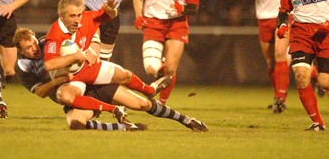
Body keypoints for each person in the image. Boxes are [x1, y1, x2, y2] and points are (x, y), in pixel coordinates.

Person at [13, 27, 208, 132]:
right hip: (76, 95)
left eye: (33, 43)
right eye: (28, 48)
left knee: (142, 104)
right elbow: (39, 92)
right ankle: (122, 126)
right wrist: (57, 81)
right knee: (75, 124)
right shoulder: (22, 67)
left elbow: (79, 38)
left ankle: (187, 120)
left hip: (91, 82)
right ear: (20, 51)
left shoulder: (49, 43)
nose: (34, 48)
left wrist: (88, 49)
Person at [43, 0, 172, 124]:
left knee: (125, 75)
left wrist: (111, 9)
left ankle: (150, 90)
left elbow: (108, 14)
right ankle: (113, 109)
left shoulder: (87, 18)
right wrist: (75, 56)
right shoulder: (55, 33)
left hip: (87, 68)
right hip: (69, 78)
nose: (77, 20)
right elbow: (48, 64)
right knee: (65, 96)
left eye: (78, 15)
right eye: (72, 16)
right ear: (61, 17)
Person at [132, 0, 199, 104]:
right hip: (153, 23)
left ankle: (162, 103)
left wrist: (182, 9)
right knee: (150, 69)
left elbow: (194, 6)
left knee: (170, 68)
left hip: (177, 24)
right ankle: (160, 68)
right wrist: (139, 16)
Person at [276, 0, 329, 131]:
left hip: (326, 33)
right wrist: (281, 26)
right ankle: (317, 123)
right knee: (300, 75)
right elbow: (283, 10)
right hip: (301, 33)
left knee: (325, 82)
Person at [240, 0, 296, 113]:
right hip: (264, 19)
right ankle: (279, 95)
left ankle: (280, 98)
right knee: (271, 61)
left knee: (281, 54)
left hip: (286, 17)